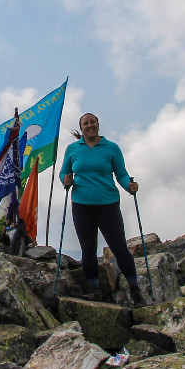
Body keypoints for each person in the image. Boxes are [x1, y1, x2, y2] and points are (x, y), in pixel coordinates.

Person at [59, 113, 144, 303]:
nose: (89, 125)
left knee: (119, 247)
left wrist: (129, 187)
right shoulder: (73, 149)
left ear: (98, 124)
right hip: (82, 206)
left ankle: (135, 289)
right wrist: (66, 181)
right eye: (85, 123)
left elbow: (121, 174)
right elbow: (64, 172)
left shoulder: (111, 148)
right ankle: (94, 289)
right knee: (88, 249)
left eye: (92, 122)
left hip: (108, 205)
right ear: (81, 128)